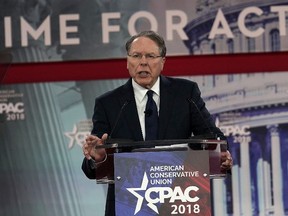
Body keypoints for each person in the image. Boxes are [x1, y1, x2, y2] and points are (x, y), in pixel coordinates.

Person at [82, 30, 233, 216]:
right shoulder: (108, 103)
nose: (143, 62)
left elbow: (213, 136)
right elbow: (94, 164)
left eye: (150, 56)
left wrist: (221, 156)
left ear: (162, 62)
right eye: (136, 56)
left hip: (180, 201)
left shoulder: (186, 93)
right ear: (127, 62)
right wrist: (97, 159)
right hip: (128, 206)